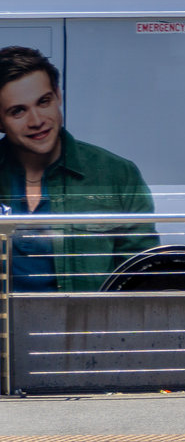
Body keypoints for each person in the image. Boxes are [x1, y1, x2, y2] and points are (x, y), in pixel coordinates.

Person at [0, 46, 157, 291]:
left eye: (44, 102)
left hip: (85, 317)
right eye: (18, 111)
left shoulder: (117, 174)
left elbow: (141, 278)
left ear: (58, 97)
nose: (37, 121)